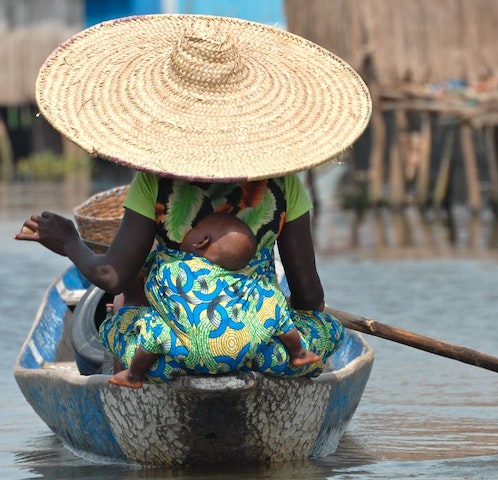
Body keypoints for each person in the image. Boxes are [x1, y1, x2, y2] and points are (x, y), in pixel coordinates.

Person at [15, 14, 371, 384]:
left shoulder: (156, 185)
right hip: (262, 349)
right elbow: (309, 295)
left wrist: (69, 240)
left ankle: (137, 374)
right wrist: (290, 328)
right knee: (325, 328)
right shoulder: (284, 188)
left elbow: (112, 276)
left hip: (176, 353)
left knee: (120, 320)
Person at [108, 212, 321, 389]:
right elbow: (309, 298)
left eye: (193, 227)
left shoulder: (170, 270)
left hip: (179, 360)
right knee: (278, 312)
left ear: (201, 241)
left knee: (152, 325)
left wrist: (74, 245)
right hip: (249, 356)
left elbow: (117, 276)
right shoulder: (254, 286)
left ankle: (133, 375)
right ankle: (299, 353)